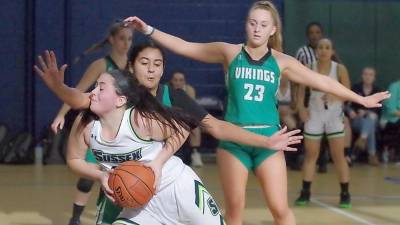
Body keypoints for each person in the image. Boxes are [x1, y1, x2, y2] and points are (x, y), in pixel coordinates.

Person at [123, 1, 390, 223]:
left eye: (263, 24)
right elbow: (185, 46)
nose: (257, 29)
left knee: (280, 209)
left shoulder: (281, 61)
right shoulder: (229, 52)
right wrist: (148, 29)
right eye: (252, 23)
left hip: (269, 142)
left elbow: (322, 81)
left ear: (273, 29)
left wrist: (360, 99)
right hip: (234, 142)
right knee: (235, 211)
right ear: (246, 24)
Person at [35, 47, 302, 225]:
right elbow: (79, 100)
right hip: (132, 193)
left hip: (173, 184)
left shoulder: (166, 101)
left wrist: (266, 141)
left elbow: (216, 128)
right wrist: (58, 88)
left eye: (157, 64)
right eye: (144, 63)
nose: (151, 69)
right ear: (130, 67)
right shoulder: (104, 103)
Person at [35, 51, 227, 224]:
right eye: (94, 88)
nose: (92, 93)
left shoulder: (139, 119)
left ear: (120, 100)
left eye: (100, 88)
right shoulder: (86, 124)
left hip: (175, 186)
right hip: (139, 203)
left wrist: (158, 163)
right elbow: (74, 159)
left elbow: (182, 127)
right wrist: (101, 174)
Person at [52, 21, 133, 225]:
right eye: (122, 38)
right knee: (90, 174)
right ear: (112, 40)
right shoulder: (101, 65)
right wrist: (61, 114)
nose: (126, 43)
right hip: (98, 123)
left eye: (130, 39)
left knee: (124, 174)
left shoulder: (134, 65)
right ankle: (75, 219)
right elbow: (78, 92)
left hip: (123, 125)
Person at [295, 38, 352, 208]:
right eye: (320, 47)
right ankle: (305, 192)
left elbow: (348, 92)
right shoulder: (310, 67)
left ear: (332, 51)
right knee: (311, 155)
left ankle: (345, 192)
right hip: (315, 113)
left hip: (334, 115)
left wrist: (335, 96)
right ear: (316, 51)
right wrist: (301, 109)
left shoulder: (339, 69)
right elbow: (301, 91)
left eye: (327, 47)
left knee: (338, 156)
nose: (323, 50)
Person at [295, 21, 329, 173]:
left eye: (317, 32)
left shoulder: (328, 53)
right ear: (308, 36)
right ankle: (304, 156)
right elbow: (294, 77)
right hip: (308, 95)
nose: (315, 35)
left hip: (326, 97)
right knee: (309, 124)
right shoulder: (302, 52)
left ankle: (322, 158)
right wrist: (297, 102)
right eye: (312, 33)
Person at [169, 69, 203, 167]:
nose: (178, 82)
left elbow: (191, 108)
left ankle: (195, 153)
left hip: (185, 117)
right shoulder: (165, 89)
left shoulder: (190, 90)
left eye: (181, 80)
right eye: (175, 80)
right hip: (169, 117)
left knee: (195, 126)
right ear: (172, 81)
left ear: (184, 81)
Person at [349, 67, 381, 166]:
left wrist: (366, 112)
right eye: (366, 74)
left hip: (372, 119)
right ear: (362, 76)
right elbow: (350, 105)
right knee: (369, 124)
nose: (368, 77)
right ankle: (371, 154)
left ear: (374, 77)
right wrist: (353, 111)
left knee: (371, 118)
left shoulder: (377, 91)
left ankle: (361, 141)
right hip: (357, 121)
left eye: (371, 74)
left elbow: (377, 110)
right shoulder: (355, 88)